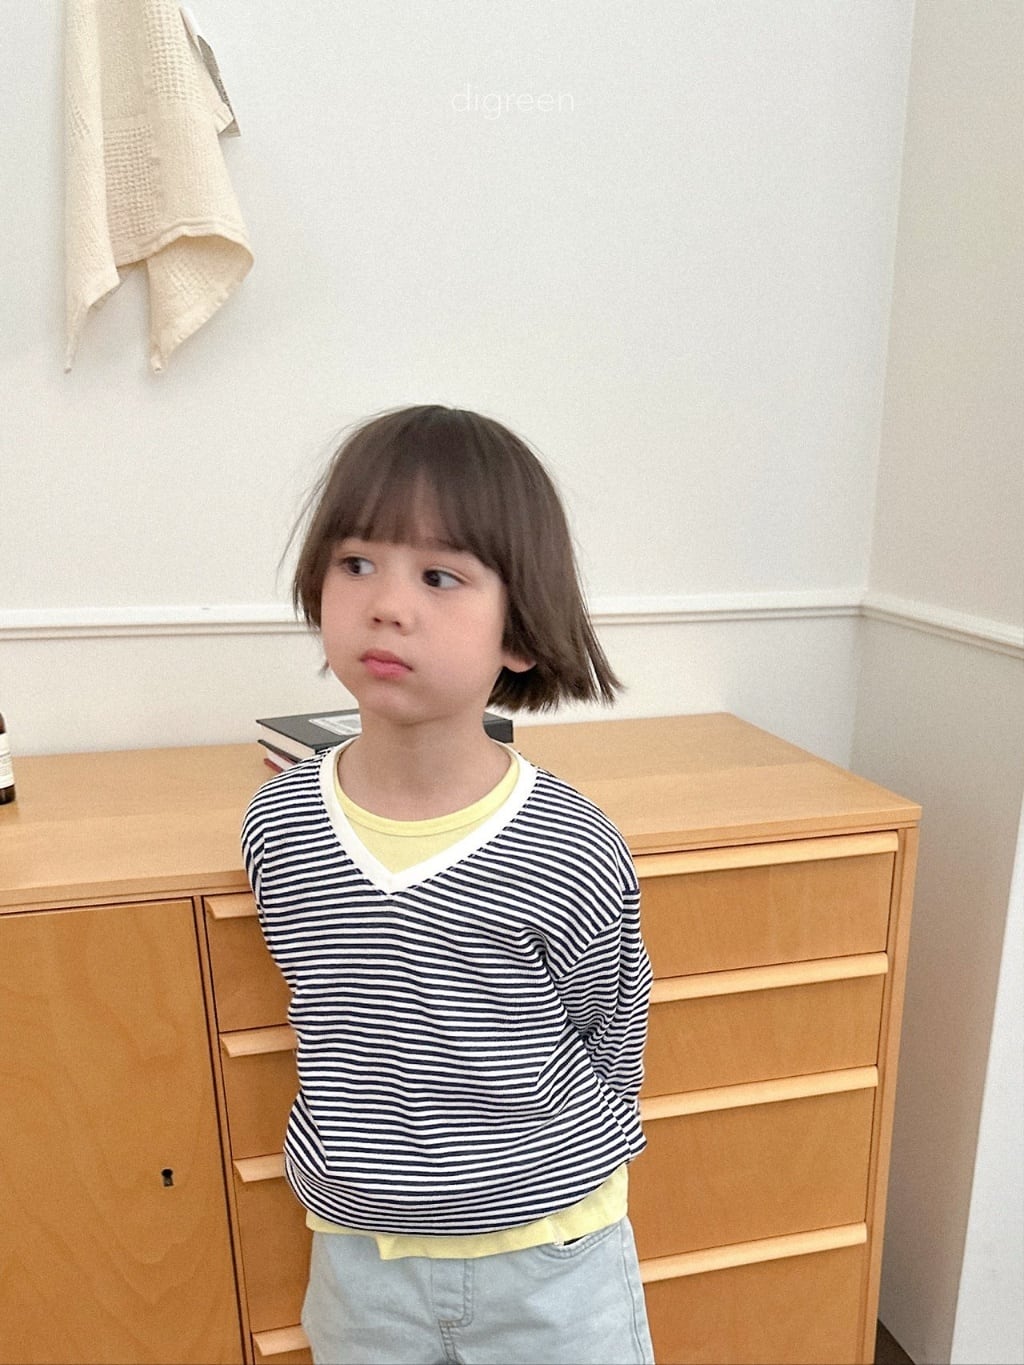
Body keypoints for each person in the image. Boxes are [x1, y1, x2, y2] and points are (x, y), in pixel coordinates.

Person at [242, 405, 655, 1365]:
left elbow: (612, 1032)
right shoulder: (280, 823)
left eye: (439, 576)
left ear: (521, 632)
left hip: (552, 1259)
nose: (388, 603)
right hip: (361, 1264)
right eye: (356, 562)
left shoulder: (571, 845)